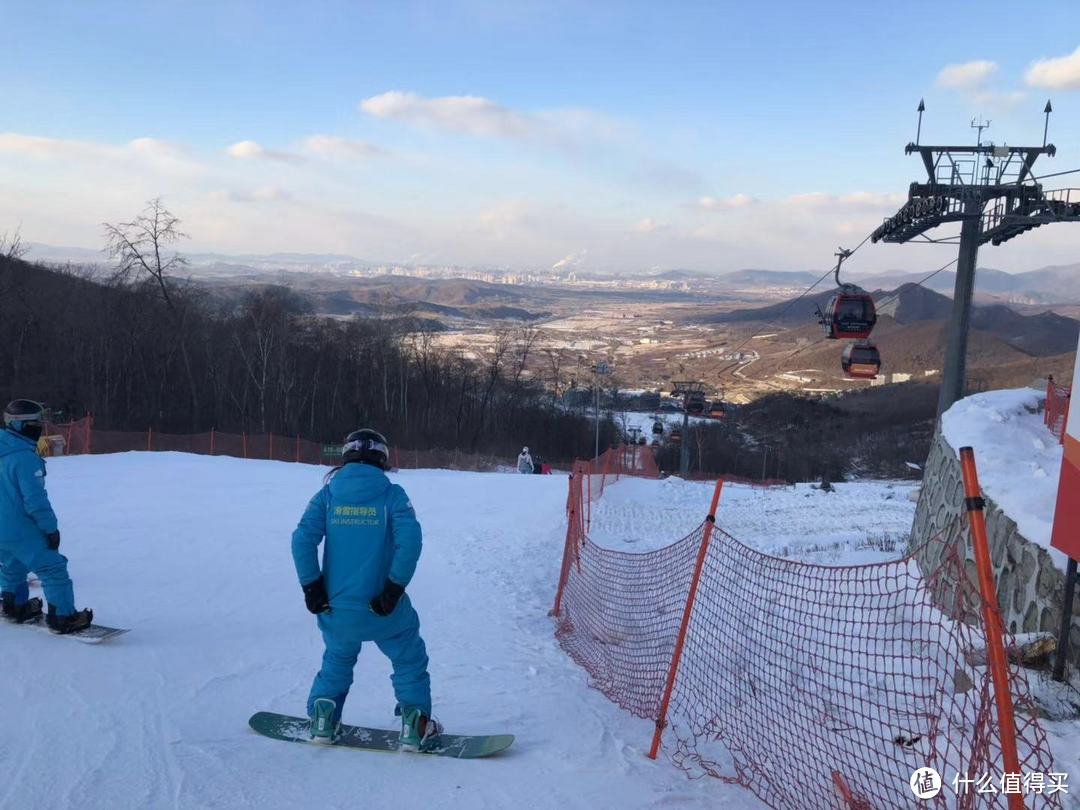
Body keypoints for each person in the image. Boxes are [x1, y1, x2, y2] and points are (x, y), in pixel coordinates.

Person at [291, 428, 438, 750]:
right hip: (384, 609)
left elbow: (302, 539)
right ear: (383, 458)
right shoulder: (392, 496)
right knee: (409, 659)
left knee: (338, 659)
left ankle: (323, 718)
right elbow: (410, 542)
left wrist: (312, 588)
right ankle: (416, 723)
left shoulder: (327, 497)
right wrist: (393, 590)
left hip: (336, 608)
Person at [0, 399, 93, 633]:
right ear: (20, 425)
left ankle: (14, 605)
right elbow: (35, 501)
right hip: (19, 526)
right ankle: (63, 617)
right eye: (35, 422)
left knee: (13, 563)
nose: (40, 427)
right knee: (52, 567)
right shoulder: (23, 458)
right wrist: (50, 529)